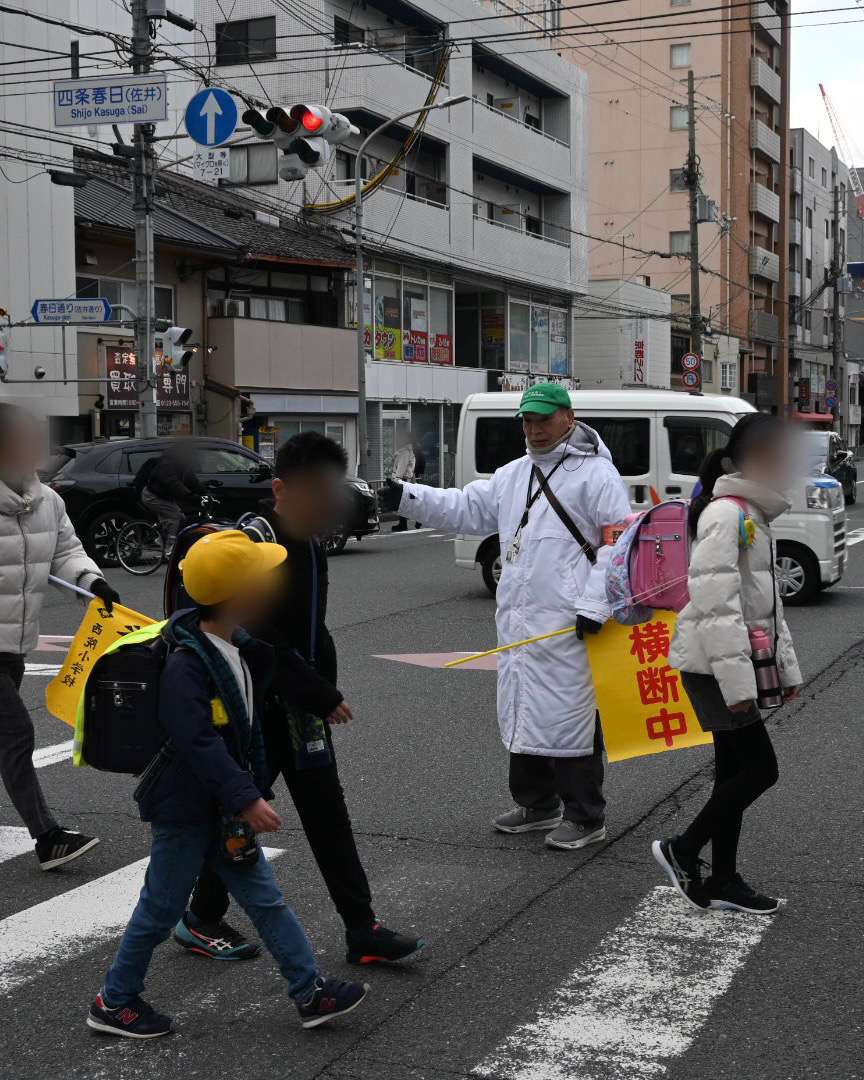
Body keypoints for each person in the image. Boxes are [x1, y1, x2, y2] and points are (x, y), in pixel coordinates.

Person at [87, 530, 370, 1039]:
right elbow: (196, 741)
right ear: (240, 596)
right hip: (186, 810)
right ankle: (115, 999)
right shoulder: (186, 663)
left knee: (266, 900)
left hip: (223, 809)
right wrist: (247, 797)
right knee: (160, 909)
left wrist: (243, 796)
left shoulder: (237, 646)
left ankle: (309, 992)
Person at [177, 433, 424, 964]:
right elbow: (258, 632)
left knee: (327, 814)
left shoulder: (312, 540)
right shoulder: (255, 542)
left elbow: (313, 628)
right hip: (253, 710)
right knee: (240, 816)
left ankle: (362, 927)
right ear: (282, 488)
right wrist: (317, 690)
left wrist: (318, 688)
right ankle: (198, 915)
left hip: (299, 710)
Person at [379, 383, 631, 851]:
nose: (534, 430)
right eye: (527, 421)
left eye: (543, 420)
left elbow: (617, 548)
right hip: (520, 621)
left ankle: (585, 813)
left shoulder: (597, 476)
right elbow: (467, 508)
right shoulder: (515, 473)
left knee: (570, 718)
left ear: (568, 418)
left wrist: (595, 606)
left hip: (570, 623)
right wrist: (405, 497)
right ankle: (537, 804)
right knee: (523, 708)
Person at [653, 413, 802, 914]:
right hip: (714, 666)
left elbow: (764, 607)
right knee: (761, 770)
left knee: (731, 773)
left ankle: (724, 879)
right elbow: (715, 607)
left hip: (728, 662)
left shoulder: (751, 513)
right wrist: (739, 685)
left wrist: (788, 672)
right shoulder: (727, 514)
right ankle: (683, 848)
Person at [0, 403, 119, 869]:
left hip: (15, 642)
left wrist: (92, 583)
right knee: (16, 734)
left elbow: (66, 551)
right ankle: (48, 836)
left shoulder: (46, 500)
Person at [140, 441, 206, 551]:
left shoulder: (183, 465)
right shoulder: (166, 464)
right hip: (152, 496)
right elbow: (173, 483)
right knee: (174, 516)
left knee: (181, 518)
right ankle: (170, 548)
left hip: (163, 496)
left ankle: (162, 539)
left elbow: (192, 481)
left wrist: (205, 493)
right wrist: (189, 496)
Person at [390, 430, 416, 532]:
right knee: (404, 502)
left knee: (401, 503)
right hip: (407, 481)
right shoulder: (408, 451)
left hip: (402, 481)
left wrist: (395, 482)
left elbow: (401, 468)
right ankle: (404, 522)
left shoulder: (405, 452)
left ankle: (403, 523)